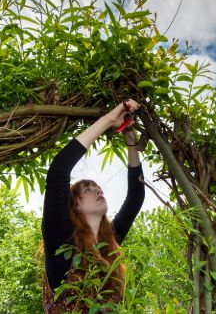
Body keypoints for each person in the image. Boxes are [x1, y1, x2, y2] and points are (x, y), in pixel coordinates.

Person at [42, 99, 145, 313]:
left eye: (98, 188)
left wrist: (131, 141)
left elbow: (136, 197)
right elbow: (58, 173)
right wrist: (109, 120)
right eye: (88, 189)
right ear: (74, 205)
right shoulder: (61, 239)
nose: (98, 190)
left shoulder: (108, 242)